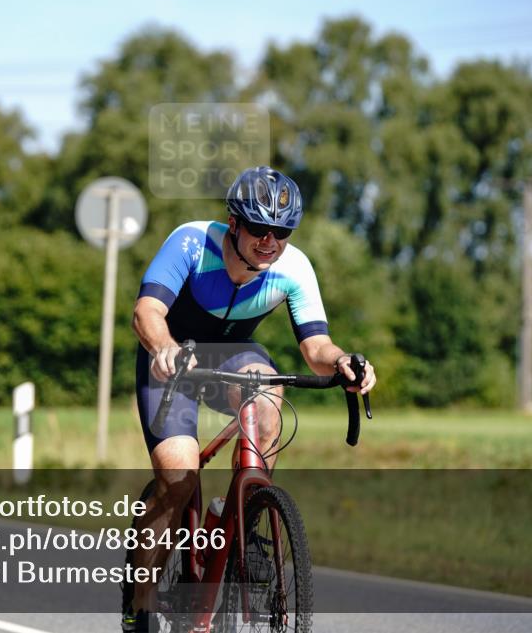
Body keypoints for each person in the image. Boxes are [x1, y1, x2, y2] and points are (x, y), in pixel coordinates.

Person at [123, 166, 377, 632]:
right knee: (178, 477)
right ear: (234, 223)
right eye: (259, 228)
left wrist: (343, 362)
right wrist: (162, 347)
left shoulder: (294, 268)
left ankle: (248, 517)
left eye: (281, 231)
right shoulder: (191, 243)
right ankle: (139, 607)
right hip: (172, 358)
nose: (270, 241)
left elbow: (316, 346)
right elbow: (147, 311)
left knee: (269, 384)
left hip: (233, 356)